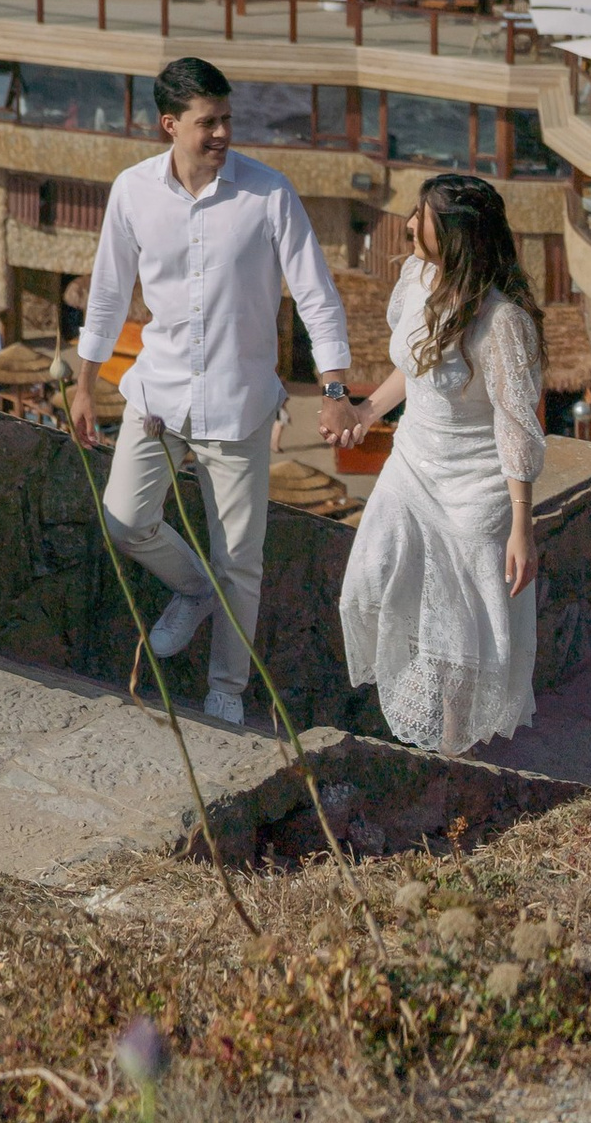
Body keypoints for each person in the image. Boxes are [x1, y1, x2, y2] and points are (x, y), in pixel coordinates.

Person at [70, 56, 354, 729]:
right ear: (170, 125)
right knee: (124, 520)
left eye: (227, 118)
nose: (223, 132)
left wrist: (335, 387)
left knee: (241, 563)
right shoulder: (133, 192)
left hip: (239, 401)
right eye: (208, 122)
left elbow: (317, 296)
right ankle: (193, 590)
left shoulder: (269, 194)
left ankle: (227, 689)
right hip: (158, 394)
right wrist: (84, 384)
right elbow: (108, 293)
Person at [331, 171, 546, 752]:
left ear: (452, 233)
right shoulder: (417, 278)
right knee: (367, 581)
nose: (407, 224)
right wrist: (366, 412)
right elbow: (416, 365)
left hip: (475, 488)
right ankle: (414, 713)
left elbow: (516, 425)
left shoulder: (503, 322)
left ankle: (452, 748)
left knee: (457, 633)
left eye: (420, 216)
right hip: (411, 463)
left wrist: (521, 525)